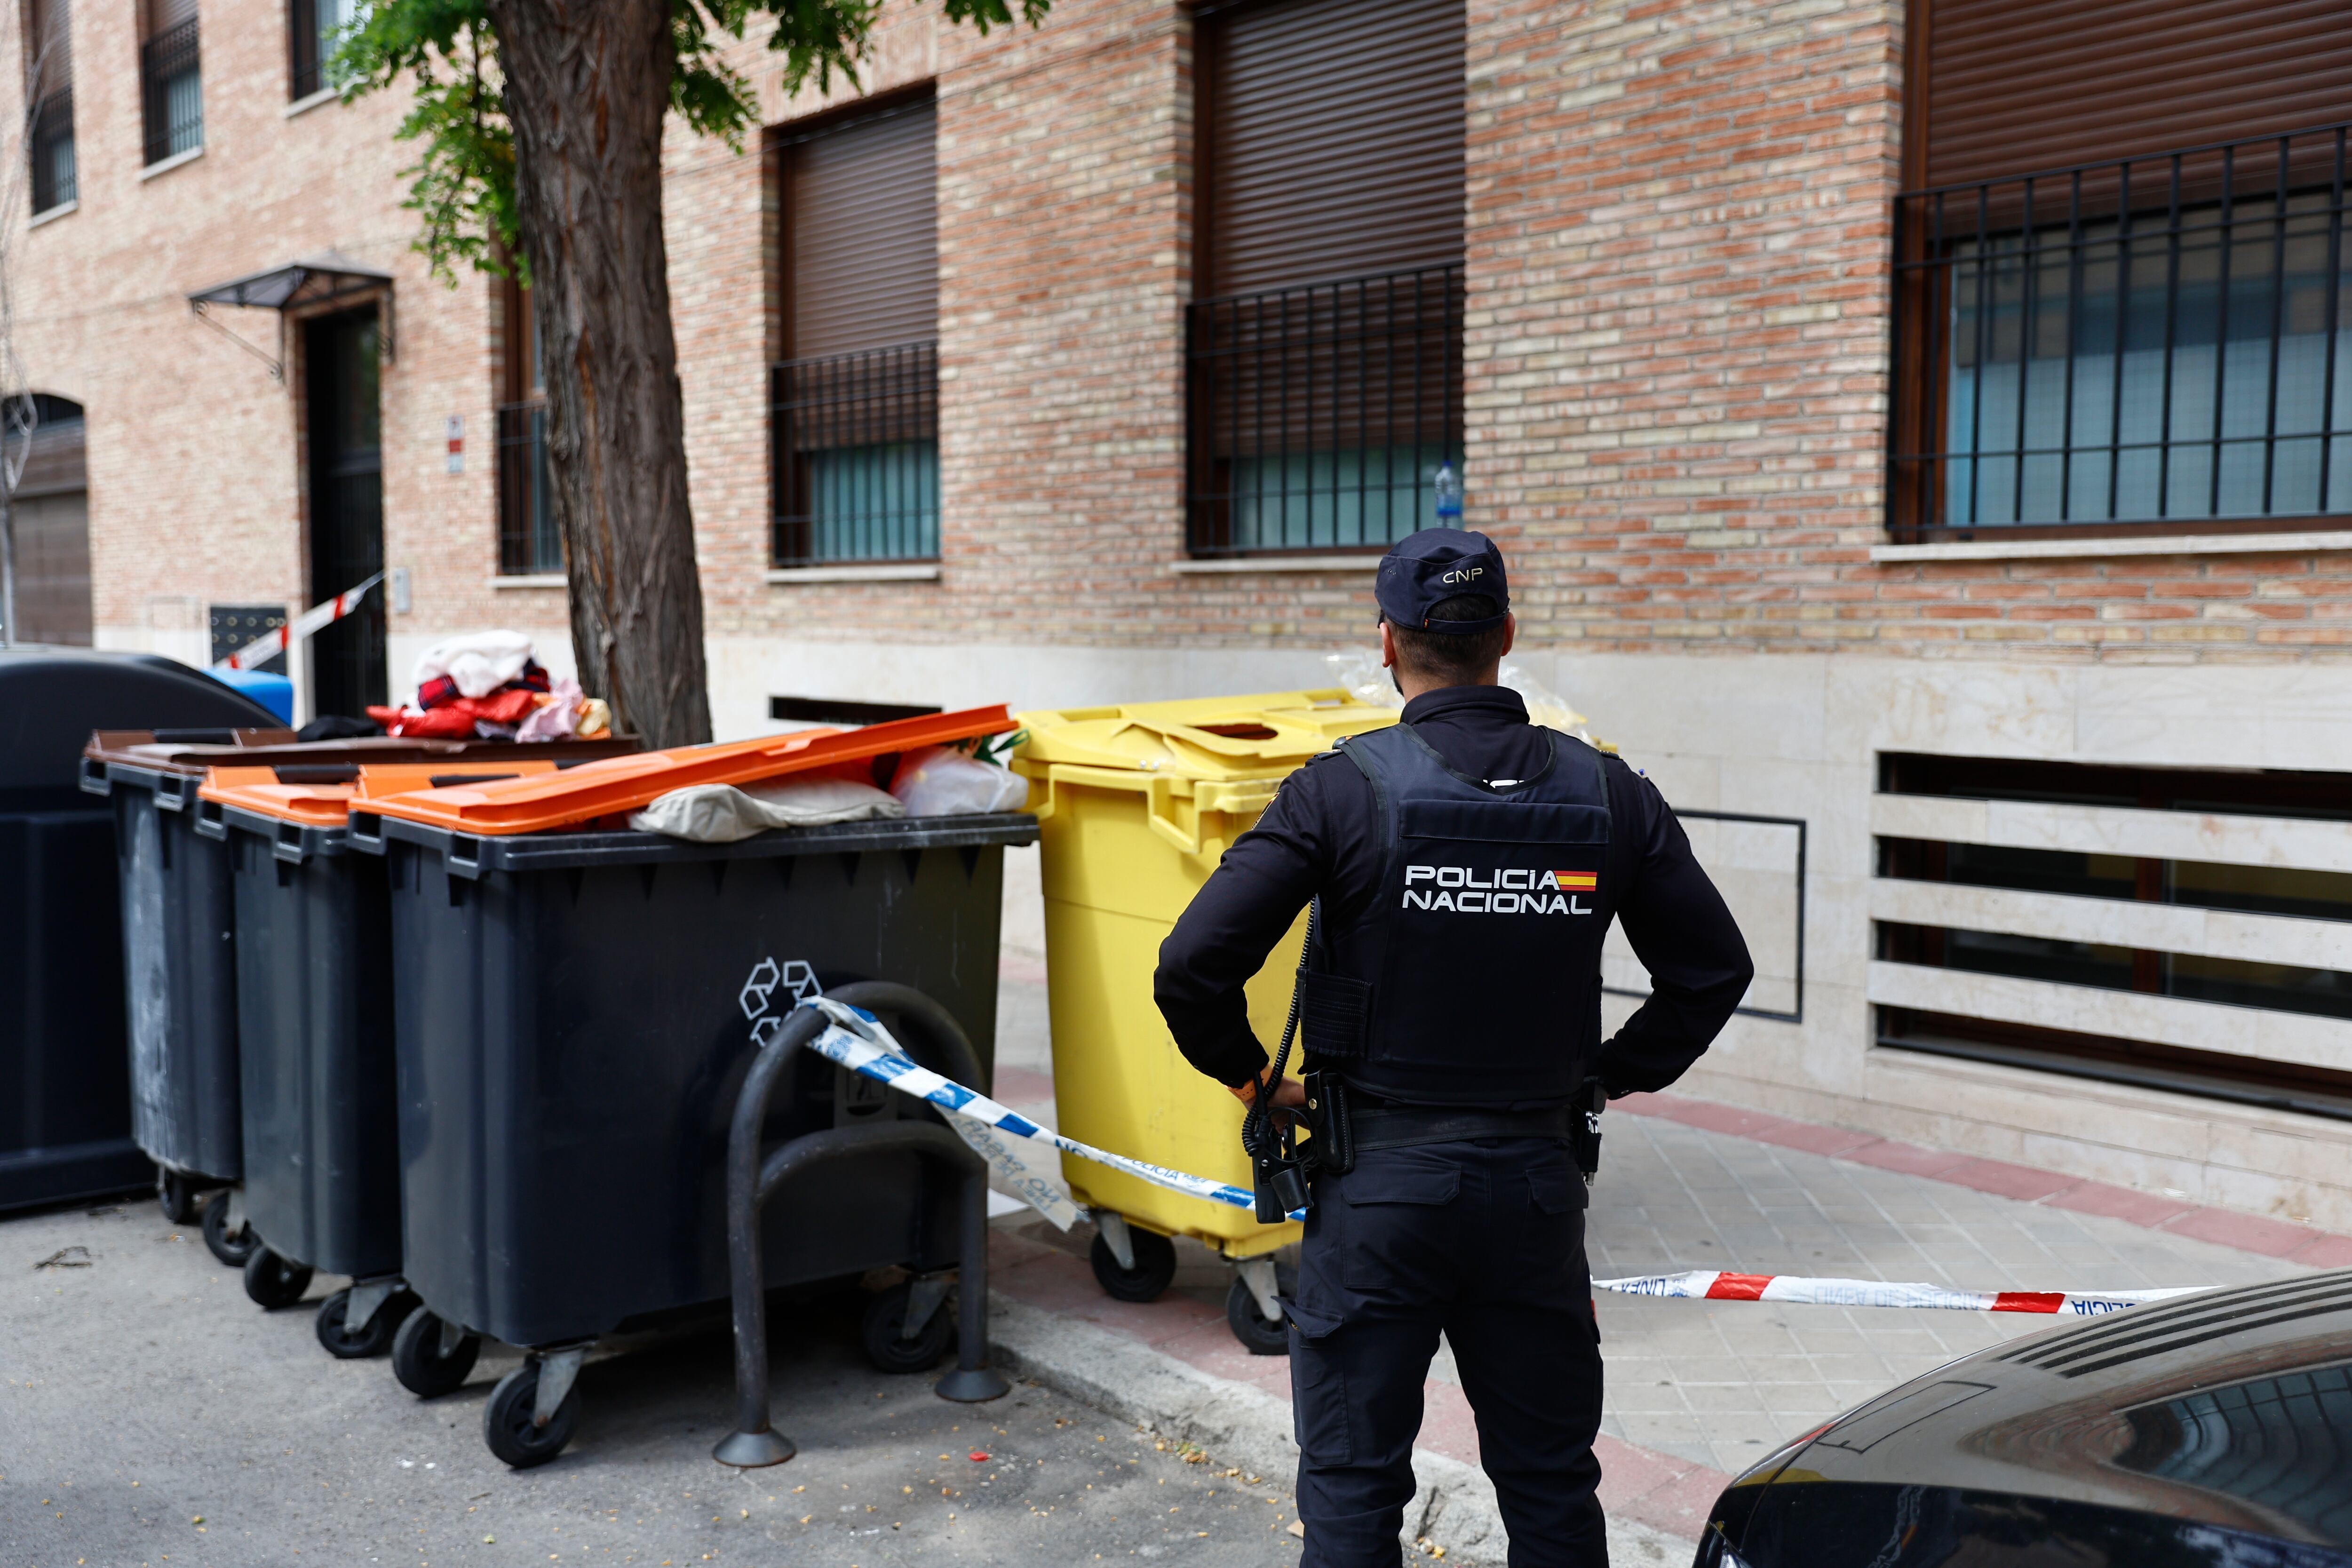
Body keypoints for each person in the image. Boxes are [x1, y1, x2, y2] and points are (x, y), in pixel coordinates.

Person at [1152, 528, 1755, 1567]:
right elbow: (1712, 971)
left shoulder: (1339, 789)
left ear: (1387, 643)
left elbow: (1191, 965)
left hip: (1376, 1189)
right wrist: (1609, 1071)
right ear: (1505, 636)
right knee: (1551, 1484)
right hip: (1532, 1187)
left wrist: (1259, 1079)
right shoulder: (1610, 793)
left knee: (1351, 1486)